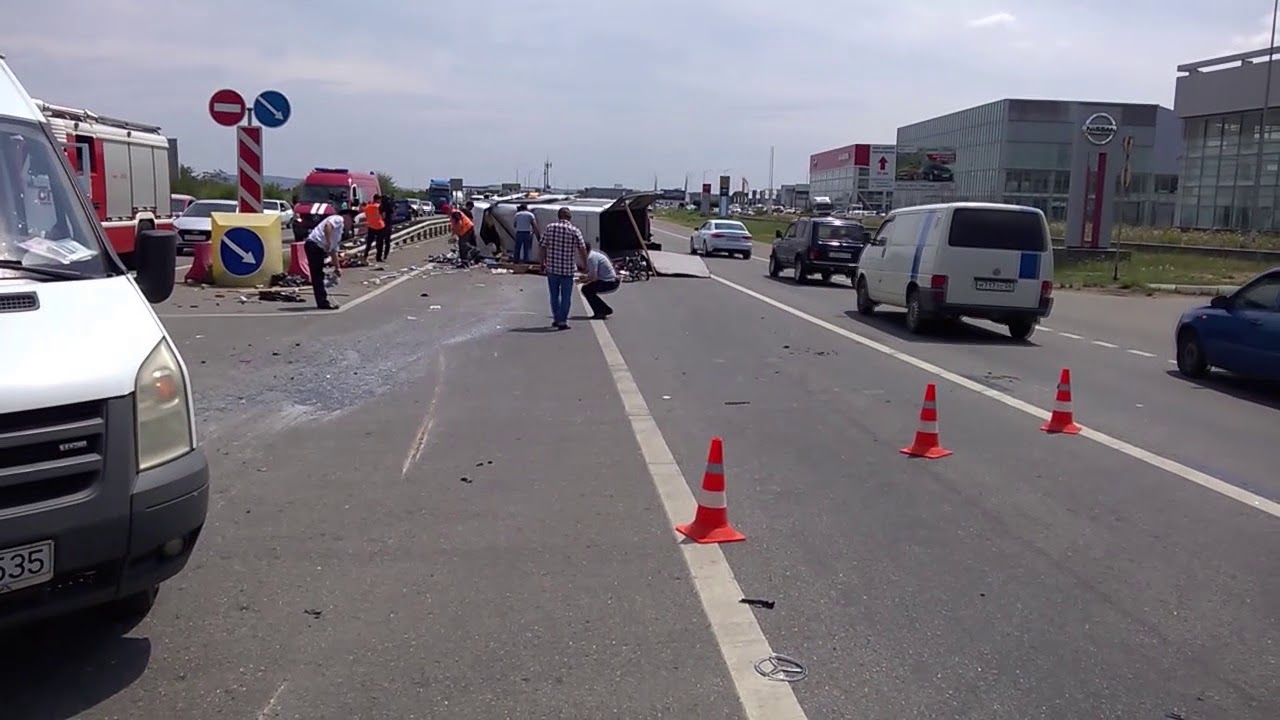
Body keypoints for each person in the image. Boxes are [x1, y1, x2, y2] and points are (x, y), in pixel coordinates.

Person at [539, 207, 589, 329]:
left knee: (554, 295)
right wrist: (585, 264)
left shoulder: (550, 228)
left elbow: (542, 246)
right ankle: (562, 321)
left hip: (552, 268)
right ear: (570, 217)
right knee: (566, 296)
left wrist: (542, 262)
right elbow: (582, 248)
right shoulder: (574, 230)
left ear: (558, 216)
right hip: (567, 269)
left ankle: (556, 318)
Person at [304, 207, 354, 310]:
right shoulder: (338, 219)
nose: (351, 224)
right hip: (315, 244)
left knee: (318, 274)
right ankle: (322, 302)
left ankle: (322, 300)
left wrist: (337, 267)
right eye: (352, 220)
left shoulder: (339, 233)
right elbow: (328, 226)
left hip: (318, 247)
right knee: (317, 274)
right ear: (347, 217)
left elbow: (333, 251)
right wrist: (328, 241)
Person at [581, 244, 619, 319]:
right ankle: (604, 309)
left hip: (609, 282)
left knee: (586, 289)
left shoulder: (592, 258)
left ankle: (601, 311)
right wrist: (585, 277)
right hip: (607, 280)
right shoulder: (592, 256)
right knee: (588, 289)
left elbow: (594, 278)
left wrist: (582, 280)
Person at [361, 194, 387, 263]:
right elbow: (383, 216)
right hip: (380, 226)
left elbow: (366, 214)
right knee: (380, 243)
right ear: (378, 199)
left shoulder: (367, 207)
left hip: (371, 226)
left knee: (369, 243)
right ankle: (378, 258)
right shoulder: (379, 206)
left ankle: (365, 255)